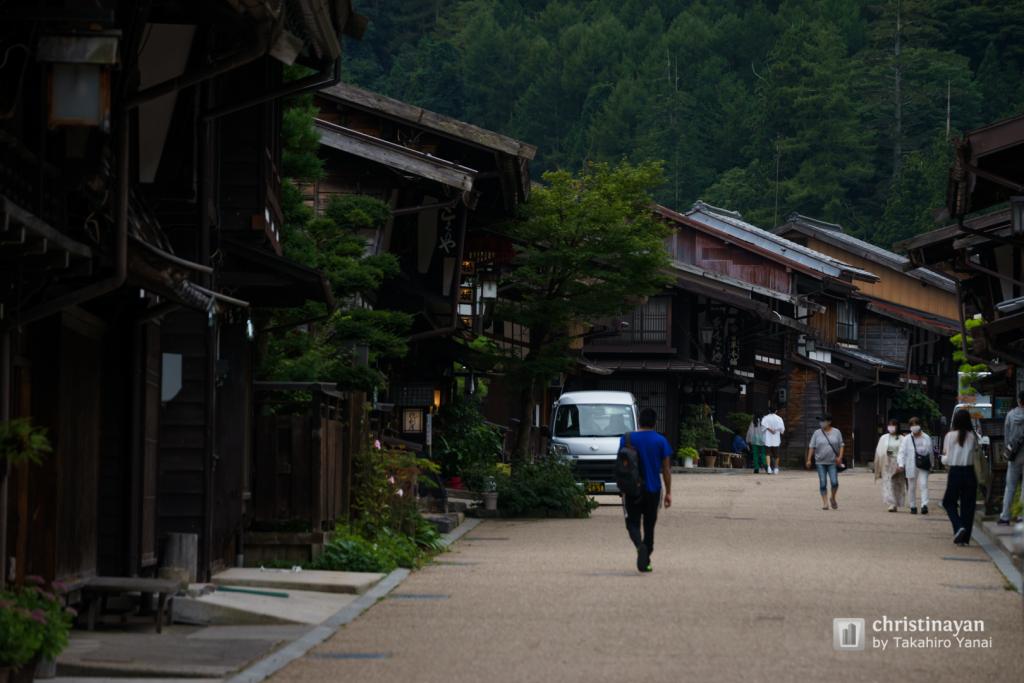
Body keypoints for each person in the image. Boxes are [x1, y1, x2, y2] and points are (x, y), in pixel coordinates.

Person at [619, 407, 673, 573]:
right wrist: (669, 492)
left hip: (632, 489)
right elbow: (666, 469)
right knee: (649, 525)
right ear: (655, 422)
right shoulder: (661, 441)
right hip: (653, 489)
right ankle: (646, 558)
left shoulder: (627, 439)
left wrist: (622, 488)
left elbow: (621, 466)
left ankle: (639, 546)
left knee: (632, 524)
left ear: (639, 420)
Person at [941, 409, 978, 546]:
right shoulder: (972, 436)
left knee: (948, 502)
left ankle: (958, 526)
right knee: (968, 506)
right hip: (969, 472)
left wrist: (943, 459)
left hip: (955, 472)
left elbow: (947, 458)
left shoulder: (949, 436)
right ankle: (965, 538)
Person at [806, 413, 844, 510]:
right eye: (820, 421)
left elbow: (841, 445)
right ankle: (825, 503)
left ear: (829, 422)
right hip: (820, 462)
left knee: (834, 482)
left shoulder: (837, 432)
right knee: (823, 482)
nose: (821, 423)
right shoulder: (816, 433)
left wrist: (840, 457)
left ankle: (833, 498)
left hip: (832, 462)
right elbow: (812, 446)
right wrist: (809, 459)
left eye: (823, 421)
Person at [998, 391, 1024, 525]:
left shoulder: (1010, 415)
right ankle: (1021, 515)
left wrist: (1008, 450)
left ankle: (1005, 516)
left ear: (1019, 400)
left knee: (1010, 486)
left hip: (1014, 455)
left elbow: (1006, 436)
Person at [898, 416, 934, 515]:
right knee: (911, 486)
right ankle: (913, 506)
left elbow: (930, 452)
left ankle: (924, 505)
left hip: (924, 464)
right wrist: (901, 464)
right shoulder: (906, 439)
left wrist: (932, 464)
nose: (914, 427)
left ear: (920, 425)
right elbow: (901, 452)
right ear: (910, 427)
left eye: (916, 424)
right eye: (912, 425)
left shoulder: (926, 437)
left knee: (923, 484)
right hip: (911, 464)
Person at [873, 419, 905, 512]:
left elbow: (904, 452)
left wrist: (902, 464)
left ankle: (897, 502)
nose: (891, 427)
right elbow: (879, 451)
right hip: (886, 461)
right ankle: (891, 503)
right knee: (887, 482)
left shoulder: (902, 438)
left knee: (897, 483)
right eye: (890, 425)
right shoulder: (884, 437)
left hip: (898, 462)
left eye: (893, 425)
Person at [762, 407, 785, 474]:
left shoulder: (765, 418)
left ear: (769, 411)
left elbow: (763, 427)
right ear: (776, 411)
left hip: (768, 438)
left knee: (767, 454)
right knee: (776, 455)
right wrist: (776, 430)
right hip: (776, 439)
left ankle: (769, 468)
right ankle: (776, 468)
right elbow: (782, 430)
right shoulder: (779, 418)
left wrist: (770, 429)